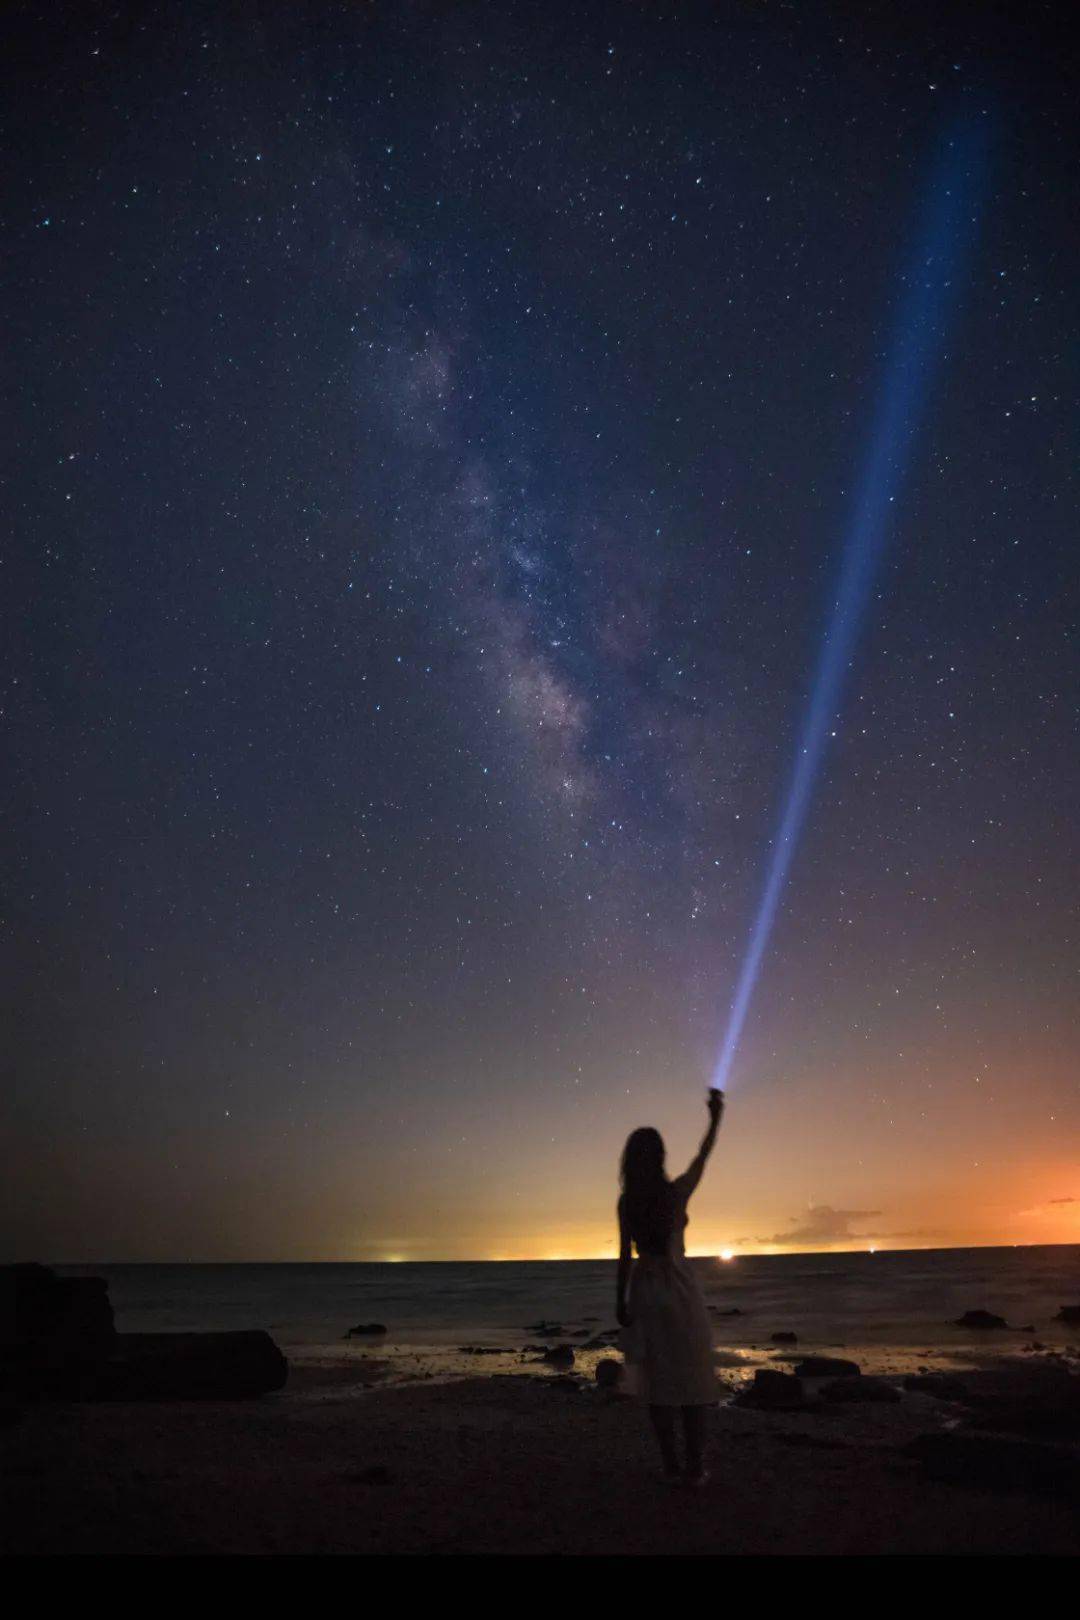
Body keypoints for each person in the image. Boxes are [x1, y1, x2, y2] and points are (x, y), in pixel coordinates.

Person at [616, 1088, 725, 1486]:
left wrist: (621, 1302)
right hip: (679, 1291)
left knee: (658, 1383)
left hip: (645, 1291)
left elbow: (624, 1255)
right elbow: (703, 1156)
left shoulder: (627, 1201)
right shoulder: (675, 1193)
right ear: (660, 1157)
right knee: (693, 1379)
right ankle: (695, 1468)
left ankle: (671, 1464)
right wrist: (715, 1118)